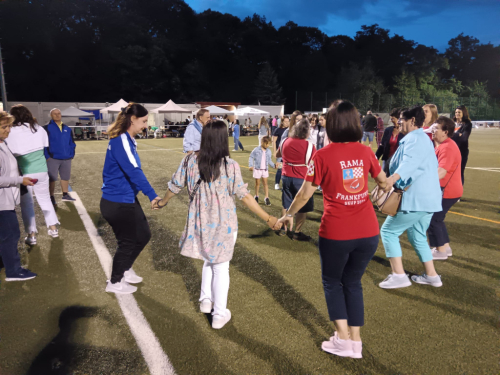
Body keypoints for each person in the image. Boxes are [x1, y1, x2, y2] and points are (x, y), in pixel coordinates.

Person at [277, 101, 387, 359]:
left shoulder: (323, 155)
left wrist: (287, 214)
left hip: (337, 231)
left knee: (332, 282)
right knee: (353, 283)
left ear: (334, 125)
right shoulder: (365, 151)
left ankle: (343, 340)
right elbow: (382, 181)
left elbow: (305, 193)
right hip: (368, 231)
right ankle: (355, 342)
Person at [154, 121, 281, 329]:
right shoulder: (229, 165)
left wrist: (161, 203)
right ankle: (219, 314)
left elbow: (174, 187)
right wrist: (268, 218)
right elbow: (245, 197)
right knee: (221, 266)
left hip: (200, 221)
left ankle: (206, 300)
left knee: (208, 257)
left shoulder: (189, 160)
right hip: (224, 223)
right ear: (223, 139)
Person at [379, 106, 443, 289]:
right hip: (428, 199)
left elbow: (410, 162)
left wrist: (392, 179)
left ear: (412, 121)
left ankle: (399, 275)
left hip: (417, 198)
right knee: (418, 236)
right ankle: (432, 276)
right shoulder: (422, 138)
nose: (398, 122)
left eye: (401, 119)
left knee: (388, 232)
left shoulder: (415, 138)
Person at [100, 103, 161, 294]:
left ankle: (124, 269)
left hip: (125, 199)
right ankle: (115, 282)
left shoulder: (128, 140)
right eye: (143, 121)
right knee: (128, 242)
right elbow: (134, 171)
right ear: (132, 119)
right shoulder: (121, 141)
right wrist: (152, 195)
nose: (145, 125)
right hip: (118, 202)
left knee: (143, 236)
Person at [8, 105, 59, 245]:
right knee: (45, 200)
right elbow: (44, 147)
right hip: (42, 171)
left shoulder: (11, 131)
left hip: (25, 174)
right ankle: (53, 228)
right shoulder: (38, 128)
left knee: (27, 205)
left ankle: (31, 236)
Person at [0, 111, 37, 281]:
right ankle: (13, 271)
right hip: (2, 202)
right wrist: (20, 180)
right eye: (3, 127)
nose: (8, 130)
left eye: (8, 126)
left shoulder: (3, 143)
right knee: (11, 234)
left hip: (5, 199)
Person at [428, 116, 462, 260]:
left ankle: (440, 250)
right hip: (449, 190)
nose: (433, 131)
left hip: (447, 191)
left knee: (433, 219)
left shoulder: (447, 147)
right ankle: (445, 247)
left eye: (436, 129)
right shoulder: (445, 145)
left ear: (446, 132)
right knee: (438, 219)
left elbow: (441, 172)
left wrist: (422, 182)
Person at [278, 118, 316, 241]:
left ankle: (284, 229)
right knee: (302, 206)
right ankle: (296, 233)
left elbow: (277, 155)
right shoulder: (310, 146)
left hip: (286, 176)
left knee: (286, 203)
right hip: (302, 178)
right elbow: (314, 162)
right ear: (307, 131)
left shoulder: (285, 141)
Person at [44, 108, 77, 206]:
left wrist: (71, 154)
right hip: (52, 158)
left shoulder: (67, 128)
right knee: (52, 178)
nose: (57, 115)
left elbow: (72, 143)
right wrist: (47, 156)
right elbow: (43, 144)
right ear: (51, 115)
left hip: (66, 158)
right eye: (55, 114)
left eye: (59, 113)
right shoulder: (46, 128)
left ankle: (65, 194)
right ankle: (51, 196)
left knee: (65, 177)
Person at [375, 108, 404, 176]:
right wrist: (376, 157)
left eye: (393, 119)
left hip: (399, 163)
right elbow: (382, 146)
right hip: (387, 160)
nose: (391, 120)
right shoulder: (388, 130)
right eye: (391, 119)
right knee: (385, 180)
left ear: (399, 119)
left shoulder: (404, 132)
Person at [249, 136, 276, 206]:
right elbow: (251, 156)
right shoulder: (256, 149)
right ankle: (256, 196)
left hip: (265, 170)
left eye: (269, 144)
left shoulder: (269, 151)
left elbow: (269, 160)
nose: (268, 145)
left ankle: (266, 198)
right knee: (257, 183)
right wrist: (251, 165)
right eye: (266, 144)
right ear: (262, 142)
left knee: (265, 184)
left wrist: (274, 165)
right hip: (257, 169)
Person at [452, 105, 472, 186]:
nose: (457, 114)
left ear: (463, 113)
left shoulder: (467, 124)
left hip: (462, 151)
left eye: (459, 112)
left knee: (460, 172)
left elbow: (464, 138)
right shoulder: (451, 123)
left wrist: (453, 135)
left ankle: (458, 193)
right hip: (451, 150)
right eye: (456, 112)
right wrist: (458, 134)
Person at [272, 116, 289, 190]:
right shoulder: (277, 130)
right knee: (279, 168)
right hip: (280, 152)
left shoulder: (290, 130)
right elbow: (274, 141)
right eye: (285, 121)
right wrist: (274, 151)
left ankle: (285, 184)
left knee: (287, 169)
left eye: (288, 121)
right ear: (282, 122)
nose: (287, 123)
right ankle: (277, 183)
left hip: (287, 153)